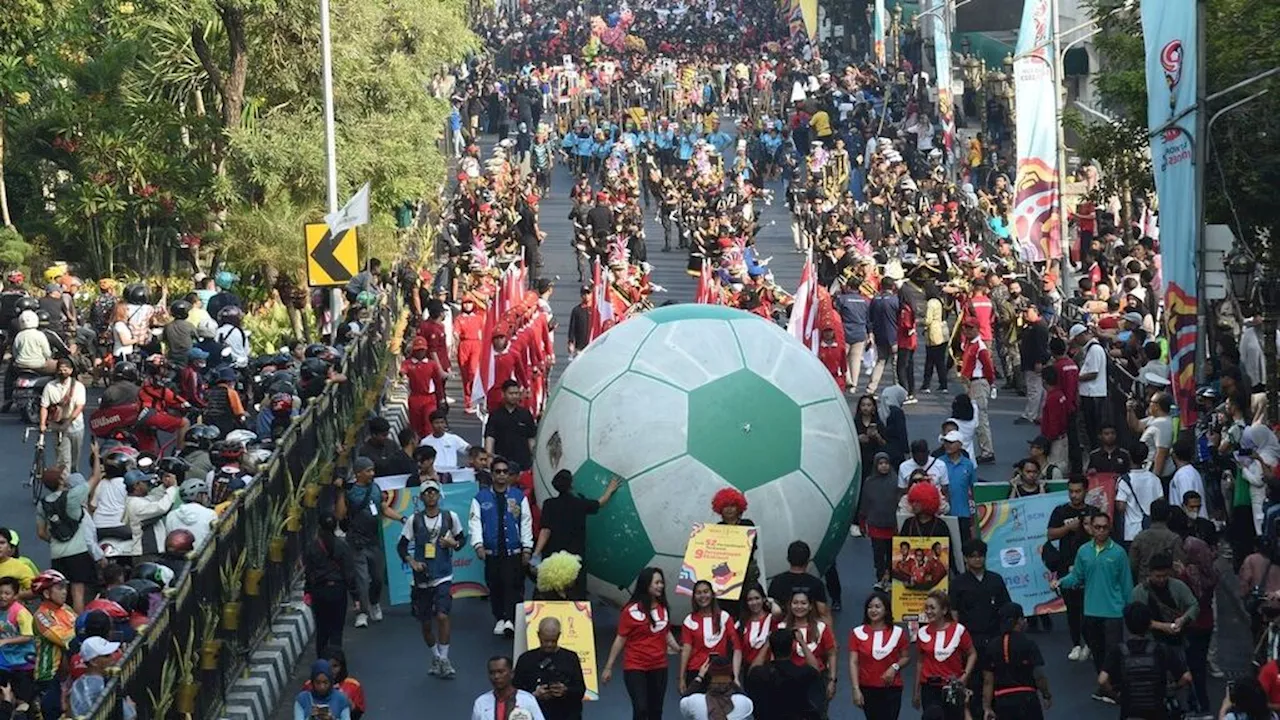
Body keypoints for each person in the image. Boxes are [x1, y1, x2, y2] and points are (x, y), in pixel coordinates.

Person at [1052, 512, 1133, 703]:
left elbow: (1126, 584)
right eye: (1097, 527)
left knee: (1114, 652)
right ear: (1091, 529)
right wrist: (1060, 582)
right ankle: (1105, 687)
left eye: (1105, 527)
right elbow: (1077, 577)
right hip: (1091, 611)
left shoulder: (1119, 553)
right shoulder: (1083, 552)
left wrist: (1128, 610)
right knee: (1097, 652)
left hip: (1113, 612)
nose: (1101, 531)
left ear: (1110, 528)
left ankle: (1117, 688)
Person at [397, 480, 464, 678]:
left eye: (434, 492)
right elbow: (401, 546)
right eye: (427, 492)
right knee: (426, 624)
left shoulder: (450, 517)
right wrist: (412, 562)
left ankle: (444, 659)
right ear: (422, 496)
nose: (431, 495)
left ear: (439, 495)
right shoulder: (414, 520)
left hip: (443, 575)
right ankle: (435, 655)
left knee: (443, 616)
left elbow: (461, 540)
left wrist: (452, 543)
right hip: (422, 578)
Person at [602, 567, 680, 720]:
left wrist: (678, 647)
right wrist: (608, 667)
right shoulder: (630, 611)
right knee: (641, 708)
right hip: (635, 667)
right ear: (646, 584)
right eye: (656, 582)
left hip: (659, 666)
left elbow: (665, 631)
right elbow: (620, 638)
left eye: (662, 582)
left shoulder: (663, 608)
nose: (661, 586)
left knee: (656, 711)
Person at [468, 456, 533, 636]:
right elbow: (475, 522)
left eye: (505, 472)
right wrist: (478, 544)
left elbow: (526, 521)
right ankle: (499, 617)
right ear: (492, 474)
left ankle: (511, 619)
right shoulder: (481, 498)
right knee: (495, 584)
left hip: (514, 549)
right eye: (498, 471)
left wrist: (527, 547)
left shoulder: (518, 496)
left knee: (513, 584)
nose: (502, 475)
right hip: (492, 550)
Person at [533, 470, 622, 599]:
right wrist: (610, 488)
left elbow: (545, 530)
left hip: (553, 559)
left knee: (551, 596)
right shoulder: (580, 504)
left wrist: (536, 553)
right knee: (576, 597)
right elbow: (600, 502)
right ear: (571, 485)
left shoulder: (549, 504)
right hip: (574, 560)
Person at [335, 456, 399, 628]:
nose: (372, 473)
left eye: (372, 470)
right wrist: (341, 493)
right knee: (362, 580)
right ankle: (362, 612)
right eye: (368, 470)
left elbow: (383, 508)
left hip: (374, 541)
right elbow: (340, 515)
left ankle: (374, 602)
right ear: (358, 473)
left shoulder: (376, 489)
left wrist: (401, 518)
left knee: (377, 578)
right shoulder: (350, 492)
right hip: (356, 543)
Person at [1098, 603, 1191, 720]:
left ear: (1127, 624)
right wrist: (1170, 689)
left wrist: (1117, 697)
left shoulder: (1118, 651)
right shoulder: (1161, 649)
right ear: (1148, 624)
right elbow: (1186, 677)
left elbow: (1102, 680)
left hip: (1129, 711)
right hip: (1157, 710)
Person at [951, 538, 1012, 713]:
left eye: (981, 556)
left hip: (994, 637)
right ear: (965, 559)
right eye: (973, 556)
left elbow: (1006, 609)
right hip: (970, 640)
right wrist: (957, 641)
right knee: (973, 680)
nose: (977, 560)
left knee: (998, 677)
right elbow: (954, 613)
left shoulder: (996, 580)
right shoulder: (958, 584)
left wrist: (1005, 636)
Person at [1046, 476, 1098, 661]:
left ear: (1086, 491)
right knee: (1073, 609)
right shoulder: (1060, 511)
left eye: (1078, 491)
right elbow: (1051, 534)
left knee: (1090, 608)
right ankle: (1076, 644)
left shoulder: (1094, 512)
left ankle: (1091, 643)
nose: (1074, 495)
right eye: (1071, 491)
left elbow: (1102, 533)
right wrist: (1068, 528)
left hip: (1091, 567)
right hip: (1066, 565)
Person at [980, 603, 1051, 720]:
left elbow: (988, 681)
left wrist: (987, 707)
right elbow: (1038, 676)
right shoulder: (1028, 644)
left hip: (1003, 702)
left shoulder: (991, 646)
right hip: (1027, 699)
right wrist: (1046, 695)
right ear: (1019, 621)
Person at [35, 468, 93, 613]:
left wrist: (55, 540)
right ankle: (78, 628)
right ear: (61, 481)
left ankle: (62, 626)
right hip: (77, 553)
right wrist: (97, 457)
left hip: (57, 555)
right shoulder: (72, 496)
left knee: (60, 594)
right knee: (77, 594)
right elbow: (96, 477)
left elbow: (41, 533)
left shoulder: (42, 504)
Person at [914, 590, 977, 720]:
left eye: (932, 608)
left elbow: (972, 654)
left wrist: (964, 677)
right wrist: (916, 691)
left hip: (952, 687)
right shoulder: (922, 633)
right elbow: (920, 662)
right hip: (929, 688)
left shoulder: (958, 630)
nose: (928, 611)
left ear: (944, 610)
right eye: (926, 608)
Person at [303, 513, 358, 659]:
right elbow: (349, 573)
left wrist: (307, 591)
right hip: (337, 591)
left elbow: (308, 572)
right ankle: (335, 664)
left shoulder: (312, 547)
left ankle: (321, 662)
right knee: (336, 629)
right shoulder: (342, 546)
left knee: (322, 629)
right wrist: (355, 596)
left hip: (319, 591)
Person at [848, 592, 909, 720]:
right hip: (868, 688)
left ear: (886, 610)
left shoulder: (898, 632)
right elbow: (853, 662)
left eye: (877, 606)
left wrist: (895, 667)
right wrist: (855, 689)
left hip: (892, 688)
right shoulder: (857, 633)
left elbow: (906, 657)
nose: (873, 610)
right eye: (870, 607)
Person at [514, 617, 587, 720]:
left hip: (567, 714)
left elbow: (580, 690)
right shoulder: (525, 660)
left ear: (559, 636)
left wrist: (566, 691)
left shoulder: (571, 658)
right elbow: (515, 692)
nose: (549, 645)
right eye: (546, 641)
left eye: (553, 641)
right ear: (538, 635)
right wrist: (534, 695)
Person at [679, 580, 742, 695]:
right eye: (698, 593)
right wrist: (681, 678)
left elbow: (737, 647)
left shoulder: (724, 617)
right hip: (696, 672)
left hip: (720, 673)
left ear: (712, 594)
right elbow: (686, 649)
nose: (702, 596)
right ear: (694, 597)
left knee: (719, 711)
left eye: (706, 592)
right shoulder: (689, 620)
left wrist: (736, 676)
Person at [746, 628, 822, 720]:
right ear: (791, 648)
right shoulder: (800, 673)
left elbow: (753, 669)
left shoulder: (761, 674)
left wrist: (767, 644)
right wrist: (801, 642)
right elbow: (815, 667)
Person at [31, 570, 75, 720]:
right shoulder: (41, 615)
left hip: (68, 672)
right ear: (46, 594)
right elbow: (65, 639)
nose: (65, 592)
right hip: (48, 674)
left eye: (65, 587)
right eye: (60, 588)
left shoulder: (67, 610)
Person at [861, 453, 901, 591]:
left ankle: (890, 579)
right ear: (876, 465)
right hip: (875, 525)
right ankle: (879, 578)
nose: (884, 466)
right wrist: (862, 521)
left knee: (892, 555)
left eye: (886, 463)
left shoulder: (896, 480)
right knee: (878, 555)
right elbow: (864, 503)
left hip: (892, 525)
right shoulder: (869, 482)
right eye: (880, 463)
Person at [38, 357, 85, 473]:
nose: (62, 372)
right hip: (58, 427)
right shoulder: (50, 387)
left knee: (74, 461)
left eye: (65, 369)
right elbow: (44, 406)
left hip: (76, 427)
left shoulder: (78, 387)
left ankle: (74, 483)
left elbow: (79, 407)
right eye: (60, 369)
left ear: (71, 371)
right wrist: (42, 424)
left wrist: (68, 422)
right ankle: (63, 486)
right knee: (64, 461)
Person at [70, 636, 134, 720]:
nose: (113, 657)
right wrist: (131, 707)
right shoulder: (101, 687)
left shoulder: (77, 684)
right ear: (93, 662)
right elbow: (129, 717)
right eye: (107, 655)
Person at [959, 319, 996, 464]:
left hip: (978, 382)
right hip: (972, 383)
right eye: (966, 328)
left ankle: (987, 451)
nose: (967, 331)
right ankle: (984, 450)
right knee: (975, 418)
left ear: (977, 329)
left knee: (980, 419)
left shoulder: (980, 347)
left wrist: (991, 384)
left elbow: (988, 367)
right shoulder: (971, 344)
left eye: (970, 328)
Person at [679, 654, 754, 720]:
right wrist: (732, 680)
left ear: (708, 677)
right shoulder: (743, 702)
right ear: (731, 677)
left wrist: (699, 677)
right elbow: (746, 699)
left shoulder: (694, 701)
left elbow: (683, 701)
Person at [766, 541, 830, 619]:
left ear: (788, 559)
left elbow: (770, 609)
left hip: (782, 628)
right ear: (808, 560)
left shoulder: (776, 581)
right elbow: (823, 613)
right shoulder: (816, 584)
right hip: (809, 628)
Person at [1116, 443, 1163, 546]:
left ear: (1129, 456)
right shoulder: (1155, 479)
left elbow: (1121, 507)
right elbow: (1161, 502)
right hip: (1152, 530)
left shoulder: (1124, 480)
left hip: (1131, 531)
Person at [1128, 499, 1185, 584]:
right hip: (1168, 586)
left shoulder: (1139, 538)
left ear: (1151, 515)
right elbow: (1179, 567)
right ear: (1169, 516)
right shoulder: (1174, 539)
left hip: (1144, 585)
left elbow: (1132, 566)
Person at [484, 380, 537, 472]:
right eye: (511, 393)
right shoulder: (495, 415)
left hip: (523, 463)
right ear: (503, 394)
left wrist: (534, 458)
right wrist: (489, 457)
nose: (514, 396)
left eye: (516, 393)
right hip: (502, 464)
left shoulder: (525, 414)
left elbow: (531, 438)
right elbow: (490, 437)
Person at [302, 648, 365, 720]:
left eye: (335, 666)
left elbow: (357, 715)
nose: (331, 670)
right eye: (327, 666)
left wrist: (348, 703)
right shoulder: (309, 685)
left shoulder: (353, 685)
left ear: (342, 666)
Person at [940, 430, 978, 539]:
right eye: (946, 442)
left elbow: (974, 488)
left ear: (960, 445)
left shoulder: (968, 464)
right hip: (943, 513)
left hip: (963, 513)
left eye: (951, 442)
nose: (947, 445)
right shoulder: (939, 463)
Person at [737, 585, 783, 669]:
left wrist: (771, 601)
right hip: (748, 668)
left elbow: (777, 612)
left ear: (763, 599)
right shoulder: (742, 623)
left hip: (769, 668)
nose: (754, 602)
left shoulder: (771, 618)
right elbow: (738, 650)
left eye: (757, 598)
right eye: (750, 600)